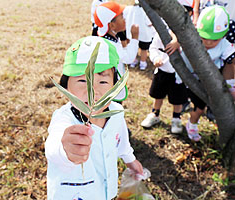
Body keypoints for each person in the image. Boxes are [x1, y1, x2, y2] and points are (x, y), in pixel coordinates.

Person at [45, 36, 144, 200]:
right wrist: (66, 150)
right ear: (66, 86)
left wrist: (130, 159)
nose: (93, 91)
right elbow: (54, 145)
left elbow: (121, 141)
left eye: (103, 81)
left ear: (115, 86)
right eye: (83, 80)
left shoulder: (116, 112)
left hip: (104, 191)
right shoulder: (64, 119)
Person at [186, 5, 235, 141]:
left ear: (224, 35)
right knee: (199, 108)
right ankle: (192, 124)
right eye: (204, 38)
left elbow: (231, 62)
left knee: (217, 105)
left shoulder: (225, 45)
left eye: (214, 40)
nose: (208, 42)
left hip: (214, 80)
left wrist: (230, 84)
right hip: (195, 79)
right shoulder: (192, 38)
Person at [140, 29, 188, 134]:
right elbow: (153, 48)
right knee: (158, 95)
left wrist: (178, 42)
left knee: (177, 99)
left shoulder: (186, 35)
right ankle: (155, 114)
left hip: (178, 74)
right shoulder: (161, 33)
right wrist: (156, 58)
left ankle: (176, 118)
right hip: (162, 70)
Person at [94, 1, 139, 101]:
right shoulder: (111, 46)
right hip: (112, 93)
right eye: (122, 16)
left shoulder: (107, 40)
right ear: (112, 25)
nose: (125, 19)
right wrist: (135, 38)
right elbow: (129, 58)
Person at [125, 0, 154, 70]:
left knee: (134, 47)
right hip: (144, 35)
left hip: (133, 34)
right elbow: (149, 23)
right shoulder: (146, 11)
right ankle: (142, 63)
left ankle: (133, 62)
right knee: (144, 49)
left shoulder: (130, 8)